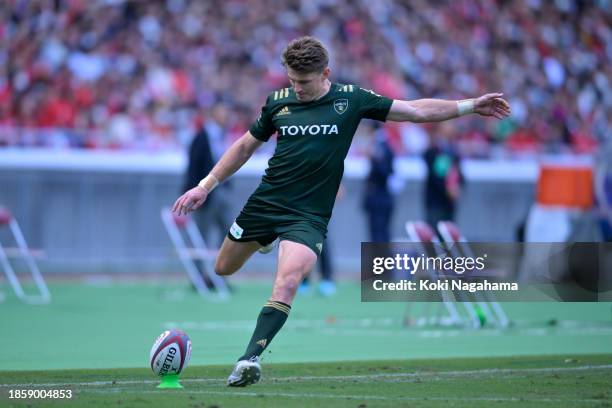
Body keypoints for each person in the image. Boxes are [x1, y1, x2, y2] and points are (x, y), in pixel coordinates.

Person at [172, 36, 510, 387]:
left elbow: (415, 111)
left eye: (303, 82)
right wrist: (204, 185)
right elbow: (244, 146)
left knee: (287, 282)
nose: (296, 88)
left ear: (326, 73)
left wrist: (470, 105)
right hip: (266, 202)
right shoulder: (278, 103)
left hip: (308, 215)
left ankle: (248, 359)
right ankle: (265, 240)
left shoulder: (352, 100)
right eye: (291, 80)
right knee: (223, 267)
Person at [182, 106, 233, 290]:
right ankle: (198, 278)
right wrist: (194, 192)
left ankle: (220, 277)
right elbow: (193, 167)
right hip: (207, 194)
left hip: (223, 192)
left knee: (229, 234)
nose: (226, 117)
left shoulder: (223, 137)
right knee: (200, 237)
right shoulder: (201, 137)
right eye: (223, 113)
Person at [423, 121, 465, 230]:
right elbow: (435, 176)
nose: (452, 128)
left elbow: (460, 173)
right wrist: (447, 189)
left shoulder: (453, 151)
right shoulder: (433, 150)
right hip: (436, 202)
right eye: (448, 124)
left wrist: (458, 187)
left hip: (449, 203)